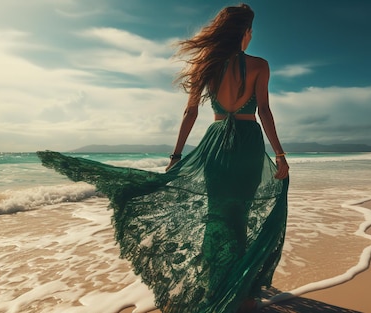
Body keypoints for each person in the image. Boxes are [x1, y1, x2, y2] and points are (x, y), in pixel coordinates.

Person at [37, 4, 288, 313]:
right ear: (245, 32)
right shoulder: (260, 65)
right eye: (250, 31)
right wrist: (279, 153)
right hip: (248, 144)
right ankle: (243, 289)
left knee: (217, 213)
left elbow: (191, 112)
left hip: (214, 145)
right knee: (241, 212)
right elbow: (264, 112)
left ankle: (215, 280)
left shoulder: (206, 65)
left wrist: (177, 155)